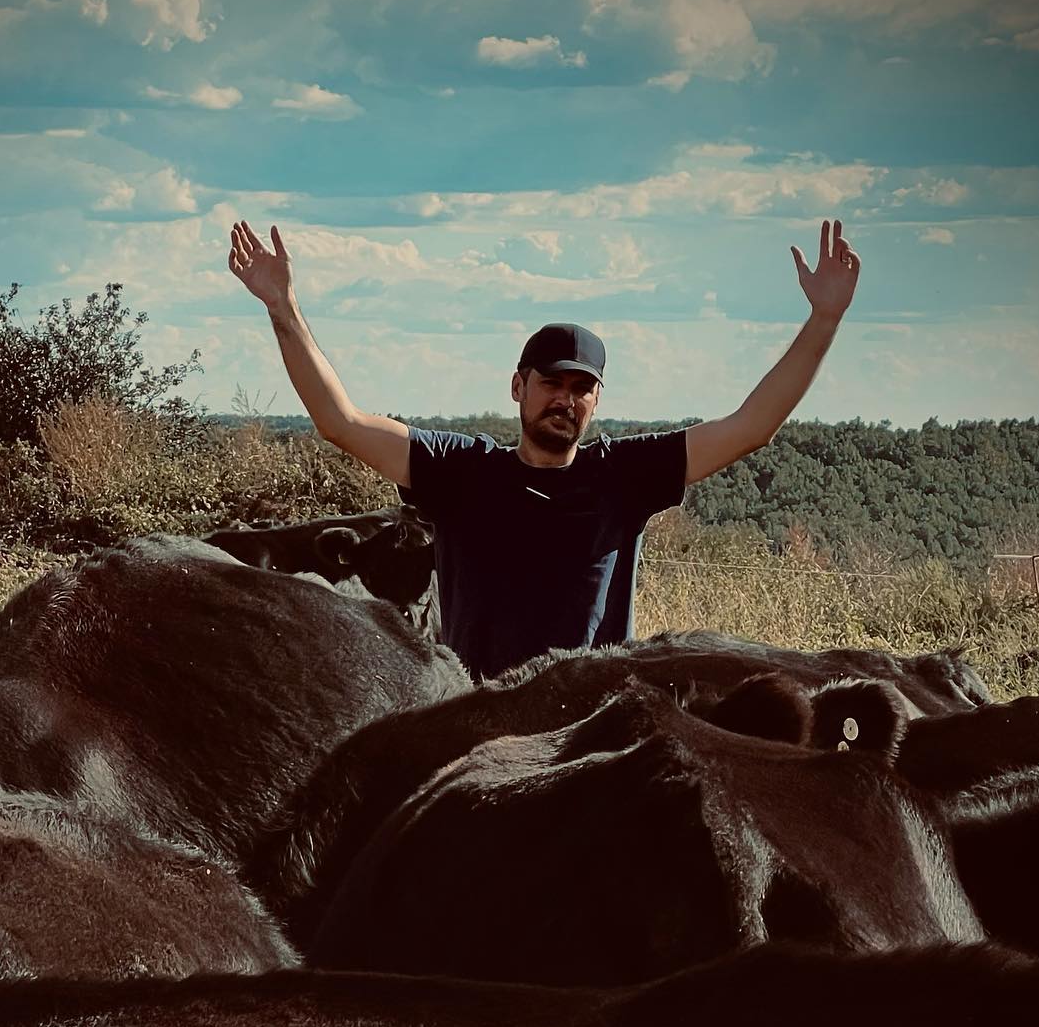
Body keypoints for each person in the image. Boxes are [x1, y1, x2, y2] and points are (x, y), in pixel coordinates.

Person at [227, 217, 861, 681]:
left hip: (587, 733)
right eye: (552, 383)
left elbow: (750, 427)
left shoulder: (624, 476)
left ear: (597, 400)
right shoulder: (461, 471)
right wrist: (283, 306)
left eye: (582, 388)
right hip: (475, 717)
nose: (566, 399)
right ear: (518, 387)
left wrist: (825, 320)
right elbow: (340, 422)